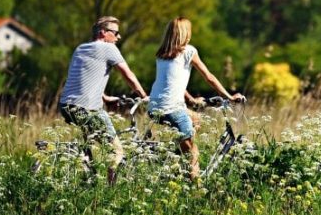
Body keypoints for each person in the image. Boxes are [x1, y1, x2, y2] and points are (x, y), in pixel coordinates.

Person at [148, 17, 245, 180]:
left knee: (196, 118)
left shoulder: (162, 54)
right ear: (185, 34)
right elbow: (209, 77)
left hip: (154, 107)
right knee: (194, 152)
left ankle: (178, 157)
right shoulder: (188, 51)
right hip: (172, 108)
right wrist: (229, 97)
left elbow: (171, 81)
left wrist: (191, 99)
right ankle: (196, 188)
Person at [59, 16, 148, 185]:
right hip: (87, 108)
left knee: (88, 147)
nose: (119, 37)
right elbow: (128, 75)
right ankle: (110, 192)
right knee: (116, 151)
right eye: (115, 33)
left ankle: (88, 181)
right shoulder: (108, 48)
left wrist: (105, 98)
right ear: (103, 33)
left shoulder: (80, 48)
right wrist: (144, 96)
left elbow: (84, 79)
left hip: (65, 105)